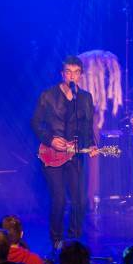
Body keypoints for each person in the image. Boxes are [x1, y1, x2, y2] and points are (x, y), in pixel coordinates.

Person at [31, 56, 97, 248]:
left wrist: (91, 144)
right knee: (59, 199)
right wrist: (50, 139)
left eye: (76, 73)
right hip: (52, 154)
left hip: (74, 153)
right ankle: (56, 240)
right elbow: (35, 123)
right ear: (62, 74)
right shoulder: (48, 96)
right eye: (68, 72)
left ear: (81, 75)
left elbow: (87, 126)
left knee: (80, 201)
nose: (72, 76)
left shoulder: (85, 98)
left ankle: (75, 240)